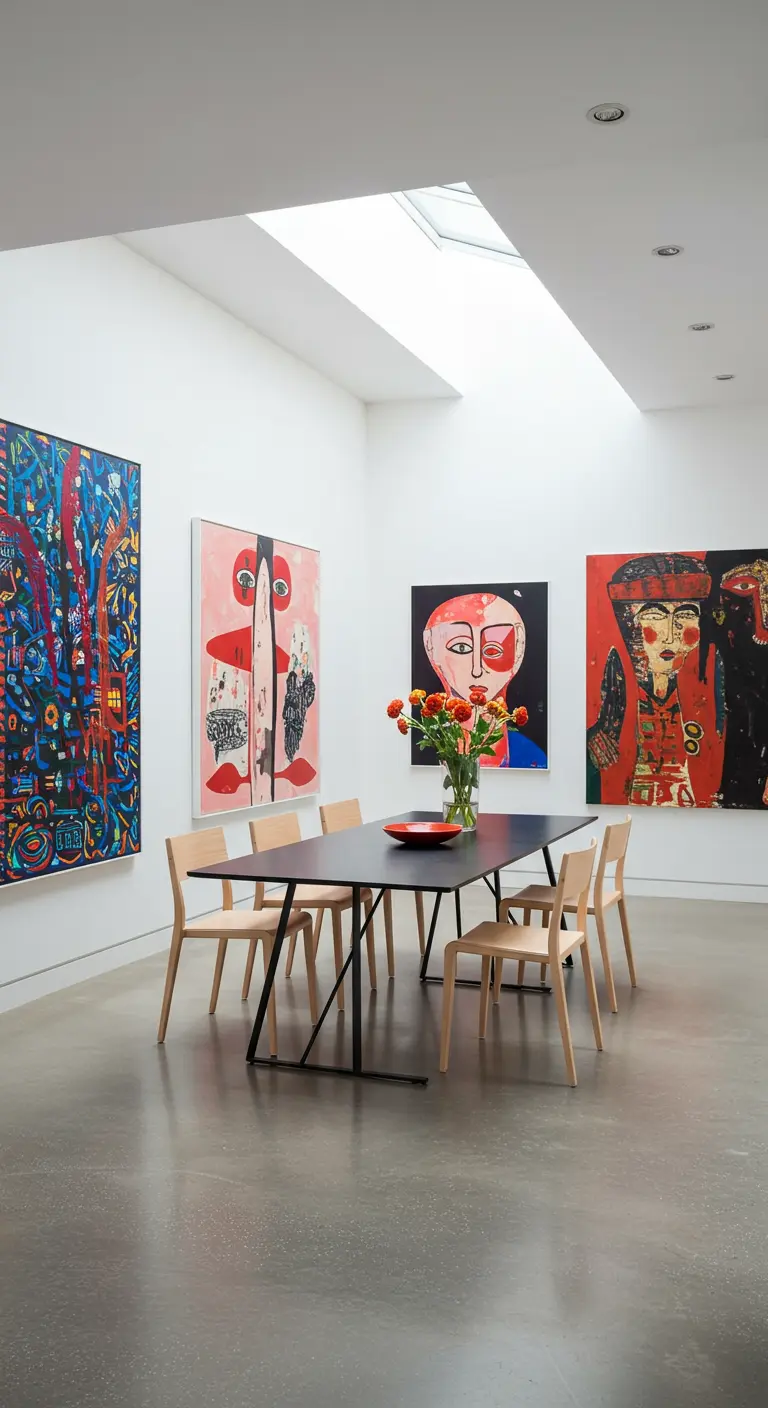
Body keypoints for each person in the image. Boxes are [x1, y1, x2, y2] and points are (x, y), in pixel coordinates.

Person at [588, 553, 718, 806]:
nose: (670, 636)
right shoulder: (613, 704)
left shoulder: (710, 698)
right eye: (655, 617)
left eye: (685, 615)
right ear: (629, 624)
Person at [423, 590, 546, 767]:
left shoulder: (533, 759)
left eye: (493, 650)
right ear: (431, 647)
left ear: (518, 650)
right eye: (461, 648)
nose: (477, 670)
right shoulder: (426, 751)